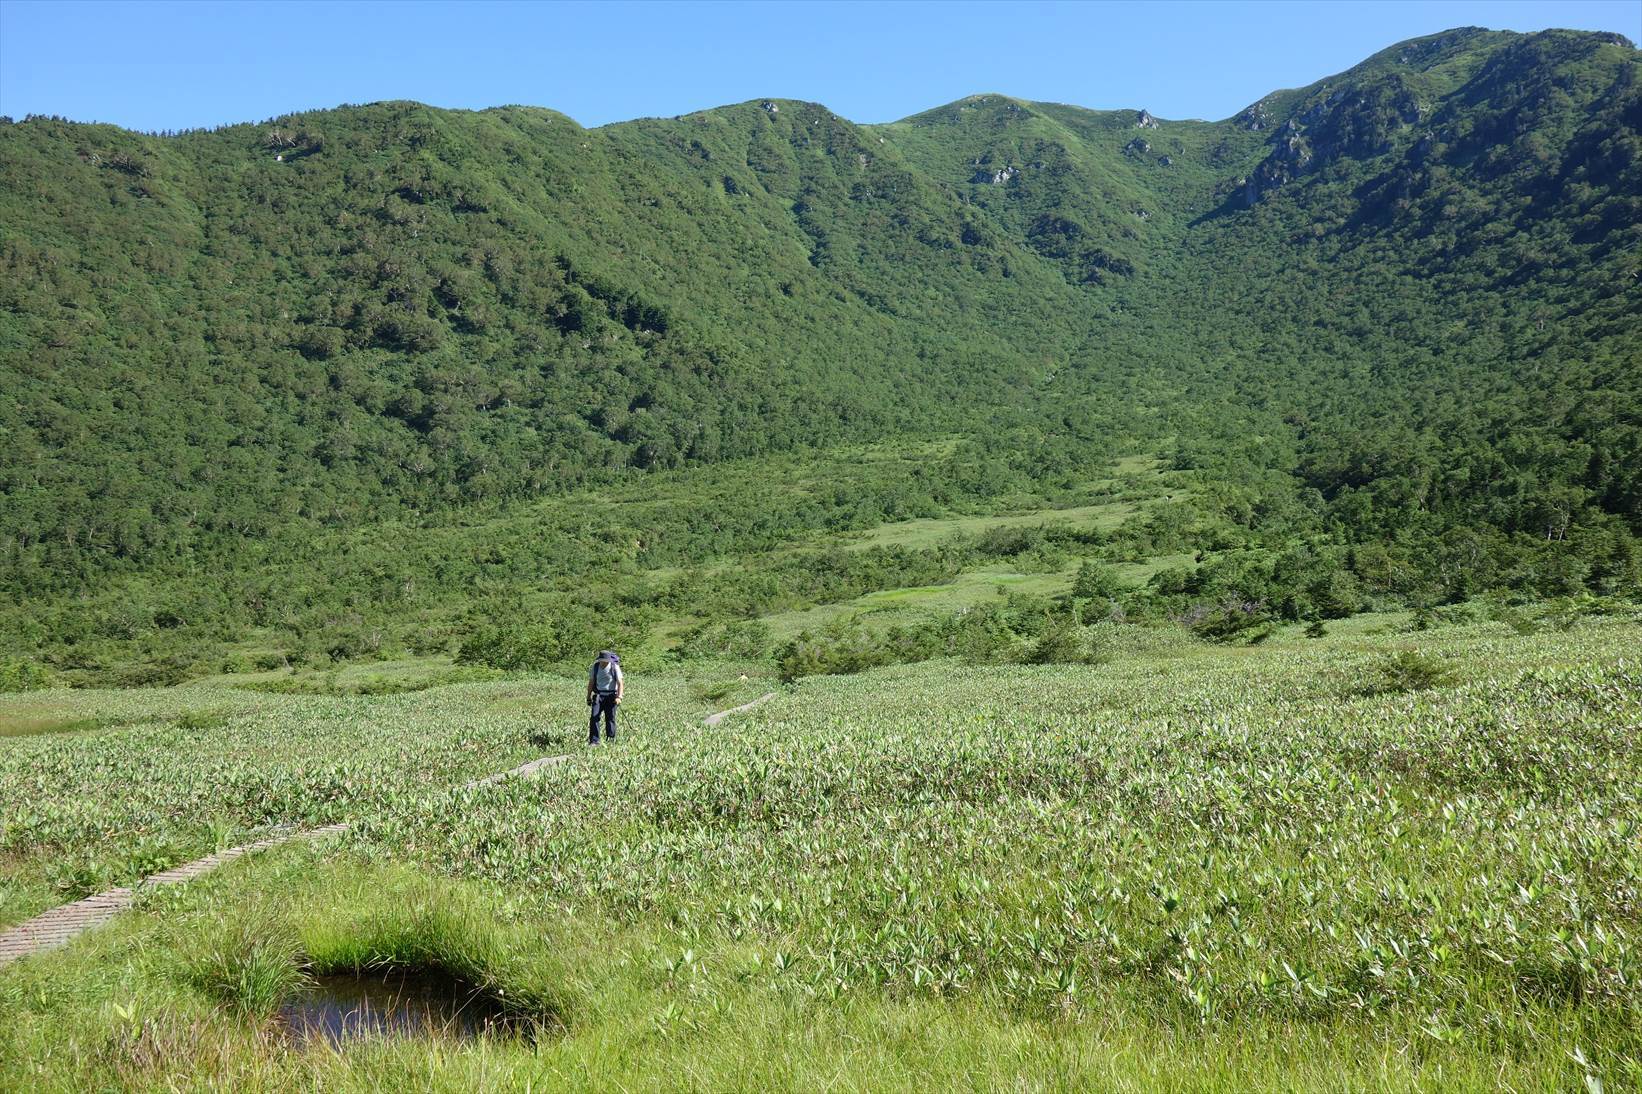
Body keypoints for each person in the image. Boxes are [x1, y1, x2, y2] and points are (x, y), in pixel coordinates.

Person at [586, 649, 623, 745]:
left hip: (611, 696)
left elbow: (620, 683)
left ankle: (610, 739)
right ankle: (594, 741)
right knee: (594, 717)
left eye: (606, 661)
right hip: (598, 695)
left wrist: (619, 697)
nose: (604, 662)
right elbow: (591, 683)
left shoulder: (615, 667)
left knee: (610, 718)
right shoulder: (595, 667)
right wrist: (588, 696)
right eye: (602, 660)